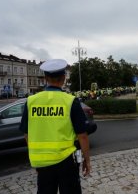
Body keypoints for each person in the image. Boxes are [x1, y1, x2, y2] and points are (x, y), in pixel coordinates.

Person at [19, 59, 91, 194]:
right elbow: (82, 136)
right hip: (66, 161)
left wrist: (37, 159)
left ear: (45, 78)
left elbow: (26, 135)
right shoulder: (70, 101)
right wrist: (87, 160)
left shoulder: (31, 101)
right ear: (63, 78)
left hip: (42, 164)